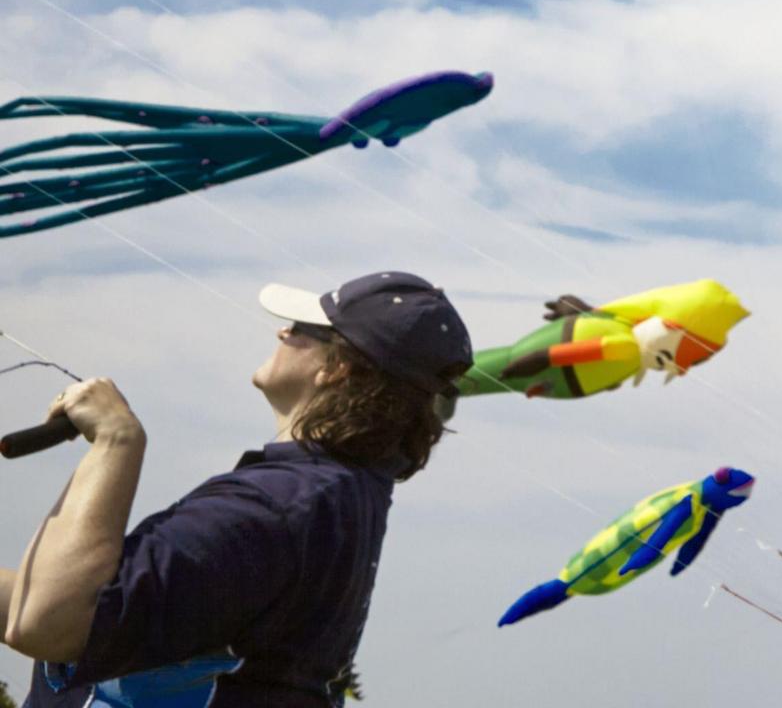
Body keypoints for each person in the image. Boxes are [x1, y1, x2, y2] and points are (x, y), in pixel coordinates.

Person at [3, 272, 468, 708]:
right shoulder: (342, 495)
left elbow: (46, 621)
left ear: (338, 368)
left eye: (302, 327)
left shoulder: (271, 508)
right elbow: (88, 602)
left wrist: (116, 440)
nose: (282, 333)